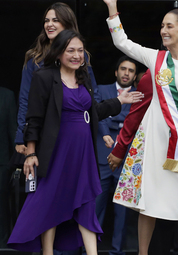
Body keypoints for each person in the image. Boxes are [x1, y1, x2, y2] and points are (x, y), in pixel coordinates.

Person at [7, 30, 143, 255]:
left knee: (86, 202)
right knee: (50, 202)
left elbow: (94, 111)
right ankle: (47, 252)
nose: (77, 55)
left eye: (80, 51)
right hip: (56, 152)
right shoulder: (45, 77)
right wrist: (30, 153)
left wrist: (119, 101)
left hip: (84, 153)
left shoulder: (84, 77)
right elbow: (34, 118)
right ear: (59, 53)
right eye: (71, 51)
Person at [103, 1, 178, 255]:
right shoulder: (156, 58)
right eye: (162, 26)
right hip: (155, 141)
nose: (164, 30)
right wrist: (112, 8)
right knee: (149, 202)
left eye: (169, 26)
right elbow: (123, 42)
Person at [15, 2, 98, 156]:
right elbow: (25, 99)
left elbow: (93, 95)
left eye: (55, 20)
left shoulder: (81, 56)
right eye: (47, 21)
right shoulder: (34, 59)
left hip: (75, 133)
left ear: (67, 24)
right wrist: (21, 137)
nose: (49, 24)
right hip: (43, 133)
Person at [88, 55, 138, 255]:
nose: (126, 73)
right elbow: (95, 114)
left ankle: (118, 251)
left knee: (123, 213)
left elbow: (136, 120)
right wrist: (118, 119)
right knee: (95, 208)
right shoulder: (101, 89)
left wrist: (111, 116)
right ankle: (89, 251)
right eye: (123, 69)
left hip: (127, 158)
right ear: (116, 71)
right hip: (101, 156)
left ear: (135, 76)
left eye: (131, 70)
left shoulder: (140, 94)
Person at [0, 87, 17, 248]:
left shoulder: (7, 95)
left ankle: (3, 242)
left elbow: (13, 130)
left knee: (2, 203)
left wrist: (16, 162)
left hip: (2, 161)